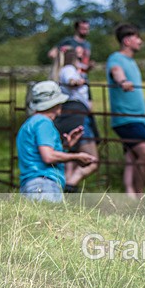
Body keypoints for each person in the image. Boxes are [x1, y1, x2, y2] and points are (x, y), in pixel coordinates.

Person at [17, 81, 97, 202]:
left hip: (30, 185)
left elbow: (39, 152)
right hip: (44, 184)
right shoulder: (44, 123)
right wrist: (76, 156)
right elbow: (48, 156)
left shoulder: (29, 124)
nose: (61, 108)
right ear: (54, 104)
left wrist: (66, 145)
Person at [107, 23, 145, 199]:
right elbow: (116, 72)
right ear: (127, 40)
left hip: (138, 118)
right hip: (126, 117)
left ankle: (129, 194)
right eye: (137, 38)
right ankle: (139, 193)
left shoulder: (131, 61)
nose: (140, 41)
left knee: (131, 156)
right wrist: (123, 81)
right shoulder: (116, 58)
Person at [55, 46, 99, 192]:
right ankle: (70, 185)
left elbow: (80, 72)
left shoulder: (70, 69)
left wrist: (87, 69)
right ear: (74, 58)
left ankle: (66, 189)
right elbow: (71, 79)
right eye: (79, 58)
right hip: (78, 115)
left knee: (71, 158)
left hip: (70, 114)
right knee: (93, 161)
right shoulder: (68, 69)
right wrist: (76, 81)